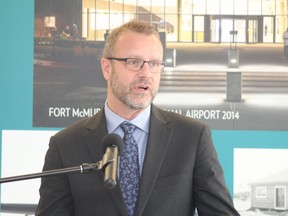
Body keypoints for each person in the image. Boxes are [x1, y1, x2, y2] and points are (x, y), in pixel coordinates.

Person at [35, 19, 240, 216]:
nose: (146, 73)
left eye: (154, 63)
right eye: (134, 62)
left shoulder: (192, 138)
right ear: (107, 68)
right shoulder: (65, 146)